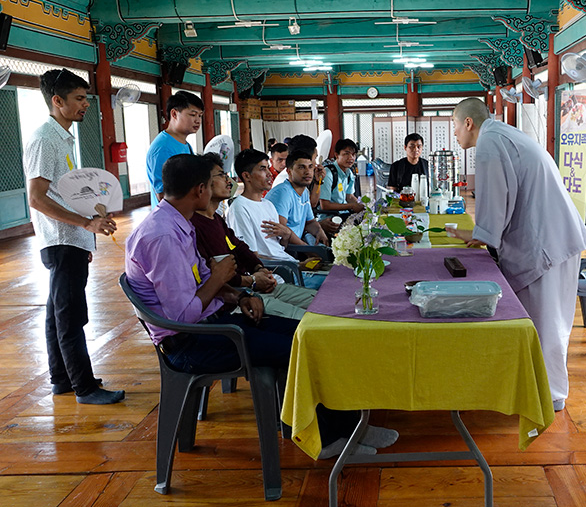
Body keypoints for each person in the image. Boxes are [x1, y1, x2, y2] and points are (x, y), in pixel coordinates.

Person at [125, 153, 396, 457]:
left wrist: (240, 296)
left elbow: (202, 283)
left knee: (312, 335)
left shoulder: (179, 222)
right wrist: (219, 279)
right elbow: (182, 314)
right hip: (192, 341)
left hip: (216, 322)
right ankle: (332, 437)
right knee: (305, 348)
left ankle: (347, 427)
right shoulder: (162, 235)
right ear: (200, 190)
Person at [449, 98, 586, 412]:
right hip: (554, 237)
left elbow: (496, 198)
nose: (456, 134)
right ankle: (542, 388)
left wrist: (481, 234)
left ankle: (549, 395)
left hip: (546, 242)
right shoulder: (503, 134)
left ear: (469, 123)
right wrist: (483, 234)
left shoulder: (490, 142)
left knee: (545, 323)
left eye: (455, 126)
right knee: (549, 321)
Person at [22, 69, 125, 405]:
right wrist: (84, 225)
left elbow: (65, 194)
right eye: (79, 99)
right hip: (61, 239)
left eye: (85, 98)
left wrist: (91, 222)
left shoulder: (63, 137)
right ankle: (85, 387)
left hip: (71, 240)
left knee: (58, 314)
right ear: (57, 101)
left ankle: (62, 380)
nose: (85, 105)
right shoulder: (44, 139)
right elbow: (37, 198)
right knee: (71, 316)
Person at [191, 153, 316, 320]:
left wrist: (259, 269)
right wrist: (253, 280)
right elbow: (218, 275)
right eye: (222, 176)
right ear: (202, 185)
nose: (230, 182)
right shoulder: (196, 226)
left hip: (260, 282)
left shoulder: (217, 219)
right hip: (242, 295)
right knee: (308, 319)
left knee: (321, 303)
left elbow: (241, 249)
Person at [227, 149, 325, 289]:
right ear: (247, 176)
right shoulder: (240, 208)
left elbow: (279, 247)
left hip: (290, 267)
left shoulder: (268, 205)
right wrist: (297, 265)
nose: (269, 174)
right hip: (277, 276)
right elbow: (251, 257)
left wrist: (286, 235)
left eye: (268, 168)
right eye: (262, 169)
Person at [146, 91, 204, 207]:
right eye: (192, 115)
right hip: (172, 218)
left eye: (200, 115)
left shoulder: (184, 143)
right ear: (174, 114)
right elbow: (163, 195)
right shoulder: (163, 148)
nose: (198, 120)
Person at [265, 150, 328, 246]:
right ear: (289, 171)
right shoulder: (283, 192)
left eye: (310, 167)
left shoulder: (304, 191)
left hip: (297, 245)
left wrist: (319, 231)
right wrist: (308, 250)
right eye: (301, 167)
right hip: (283, 249)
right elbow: (282, 230)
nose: (307, 172)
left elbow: (310, 222)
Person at [319, 138, 365, 214]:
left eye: (353, 155)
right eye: (346, 154)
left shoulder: (349, 173)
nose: (351, 158)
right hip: (330, 218)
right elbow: (324, 205)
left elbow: (349, 196)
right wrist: (351, 206)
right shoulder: (328, 173)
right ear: (337, 155)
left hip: (344, 214)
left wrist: (362, 205)